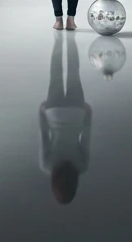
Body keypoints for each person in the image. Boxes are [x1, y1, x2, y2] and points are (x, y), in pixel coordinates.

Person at [39, 30, 92, 204]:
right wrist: (41, 114)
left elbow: (86, 138)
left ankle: (71, 40)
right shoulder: (47, 166)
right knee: (55, 73)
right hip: (54, 113)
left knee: (74, 72)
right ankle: (58, 40)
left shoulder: (82, 166)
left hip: (76, 114)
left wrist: (88, 116)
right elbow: (44, 137)